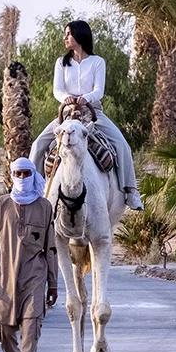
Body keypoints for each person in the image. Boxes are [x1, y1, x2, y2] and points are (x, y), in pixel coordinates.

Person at [29, 19, 143, 210]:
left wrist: (85, 98)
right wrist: (66, 98)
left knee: (122, 144)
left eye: (69, 33)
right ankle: (31, 190)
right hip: (66, 114)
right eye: (65, 34)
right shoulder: (61, 63)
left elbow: (99, 91)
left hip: (93, 113)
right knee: (38, 143)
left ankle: (130, 191)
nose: (65, 37)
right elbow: (57, 90)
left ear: (80, 35)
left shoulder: (98, 62)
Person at [0, 158, 58, 352]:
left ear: (33, 175)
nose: (22, 178)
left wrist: (53, 284)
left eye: (26, 173)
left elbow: (50, 248)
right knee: (4, 330)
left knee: (31, 331)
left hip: (35, 279)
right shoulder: (0, 205)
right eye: (18, 174)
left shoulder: (44, 207)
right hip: (6, 280)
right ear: (12, 176)